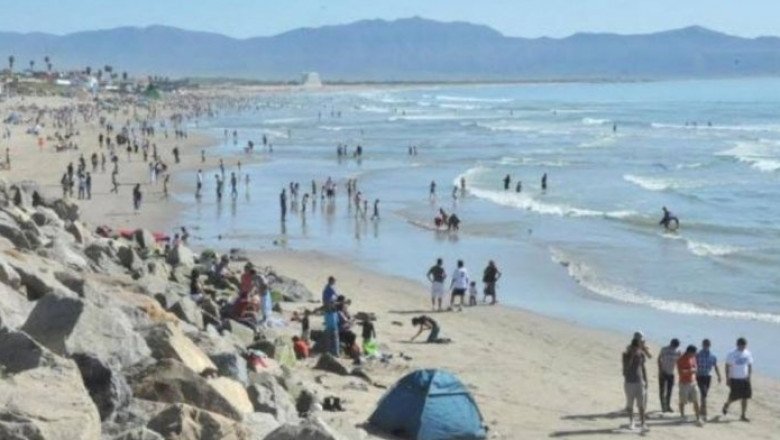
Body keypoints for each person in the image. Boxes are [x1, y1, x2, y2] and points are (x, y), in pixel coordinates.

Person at [722, 337, 753, 422]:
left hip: (745, 378)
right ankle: (727, 404)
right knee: (734, 396)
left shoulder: (748, 353)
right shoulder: (731, 353)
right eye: (741, 345)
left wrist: (749, 376)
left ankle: (743, 415)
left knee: (745, 397)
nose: (743, 347)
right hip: (735, 378)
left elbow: (749, 365)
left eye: (744, 345)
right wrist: (727, 378)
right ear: (737, 345)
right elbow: (727, 366)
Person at [623, 338, 648, 431]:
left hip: (639, 382)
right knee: (630, 404)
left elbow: (642, 367)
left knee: (641, 405)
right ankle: (631, 422)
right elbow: (626, 369)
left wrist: (645, 381)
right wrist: (632, 356)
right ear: (631, 347)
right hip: (629, 382)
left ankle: (643, 423)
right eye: (634, 348)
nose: (636, 350)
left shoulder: (641, 354)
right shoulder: (625, 355)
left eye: (637, 348)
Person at [696, 338, 722, 421]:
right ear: (702, 345)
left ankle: (701, 410)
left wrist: (719, 376)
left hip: (708, 376)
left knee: (705, 394)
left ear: (710, 345)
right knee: (703, 393)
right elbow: (693, 365)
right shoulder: (698, 354)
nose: (706, 346)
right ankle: (705, 413)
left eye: (707, 345)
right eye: (705, 345)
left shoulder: (713, 356)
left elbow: (715, 366)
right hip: (699, 376)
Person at [677, 345, 703, 425]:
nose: (695, 354)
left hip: (693, 382)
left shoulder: (693, 358)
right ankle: (682, 415)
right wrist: (690, 370)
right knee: (683, 401)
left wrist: (693, 370)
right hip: (684, 383)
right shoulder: (681, 359)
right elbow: (680, 372)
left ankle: (698, 418)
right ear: (689, 352)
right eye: (694, 353)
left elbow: (696, 368)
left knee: (696, 400)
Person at [658, 338, 681, 413]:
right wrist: (660, 370)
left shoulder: (678, 351)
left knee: (669, 391)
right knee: (662, 390)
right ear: (671, 343)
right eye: (674, 346)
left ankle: (668, 406)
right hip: (663, 372)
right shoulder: (664, 349)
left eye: (676, 346)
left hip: (671, 373)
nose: (674, 347)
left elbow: (679, 362)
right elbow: (659, 359)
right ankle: (663, 407)